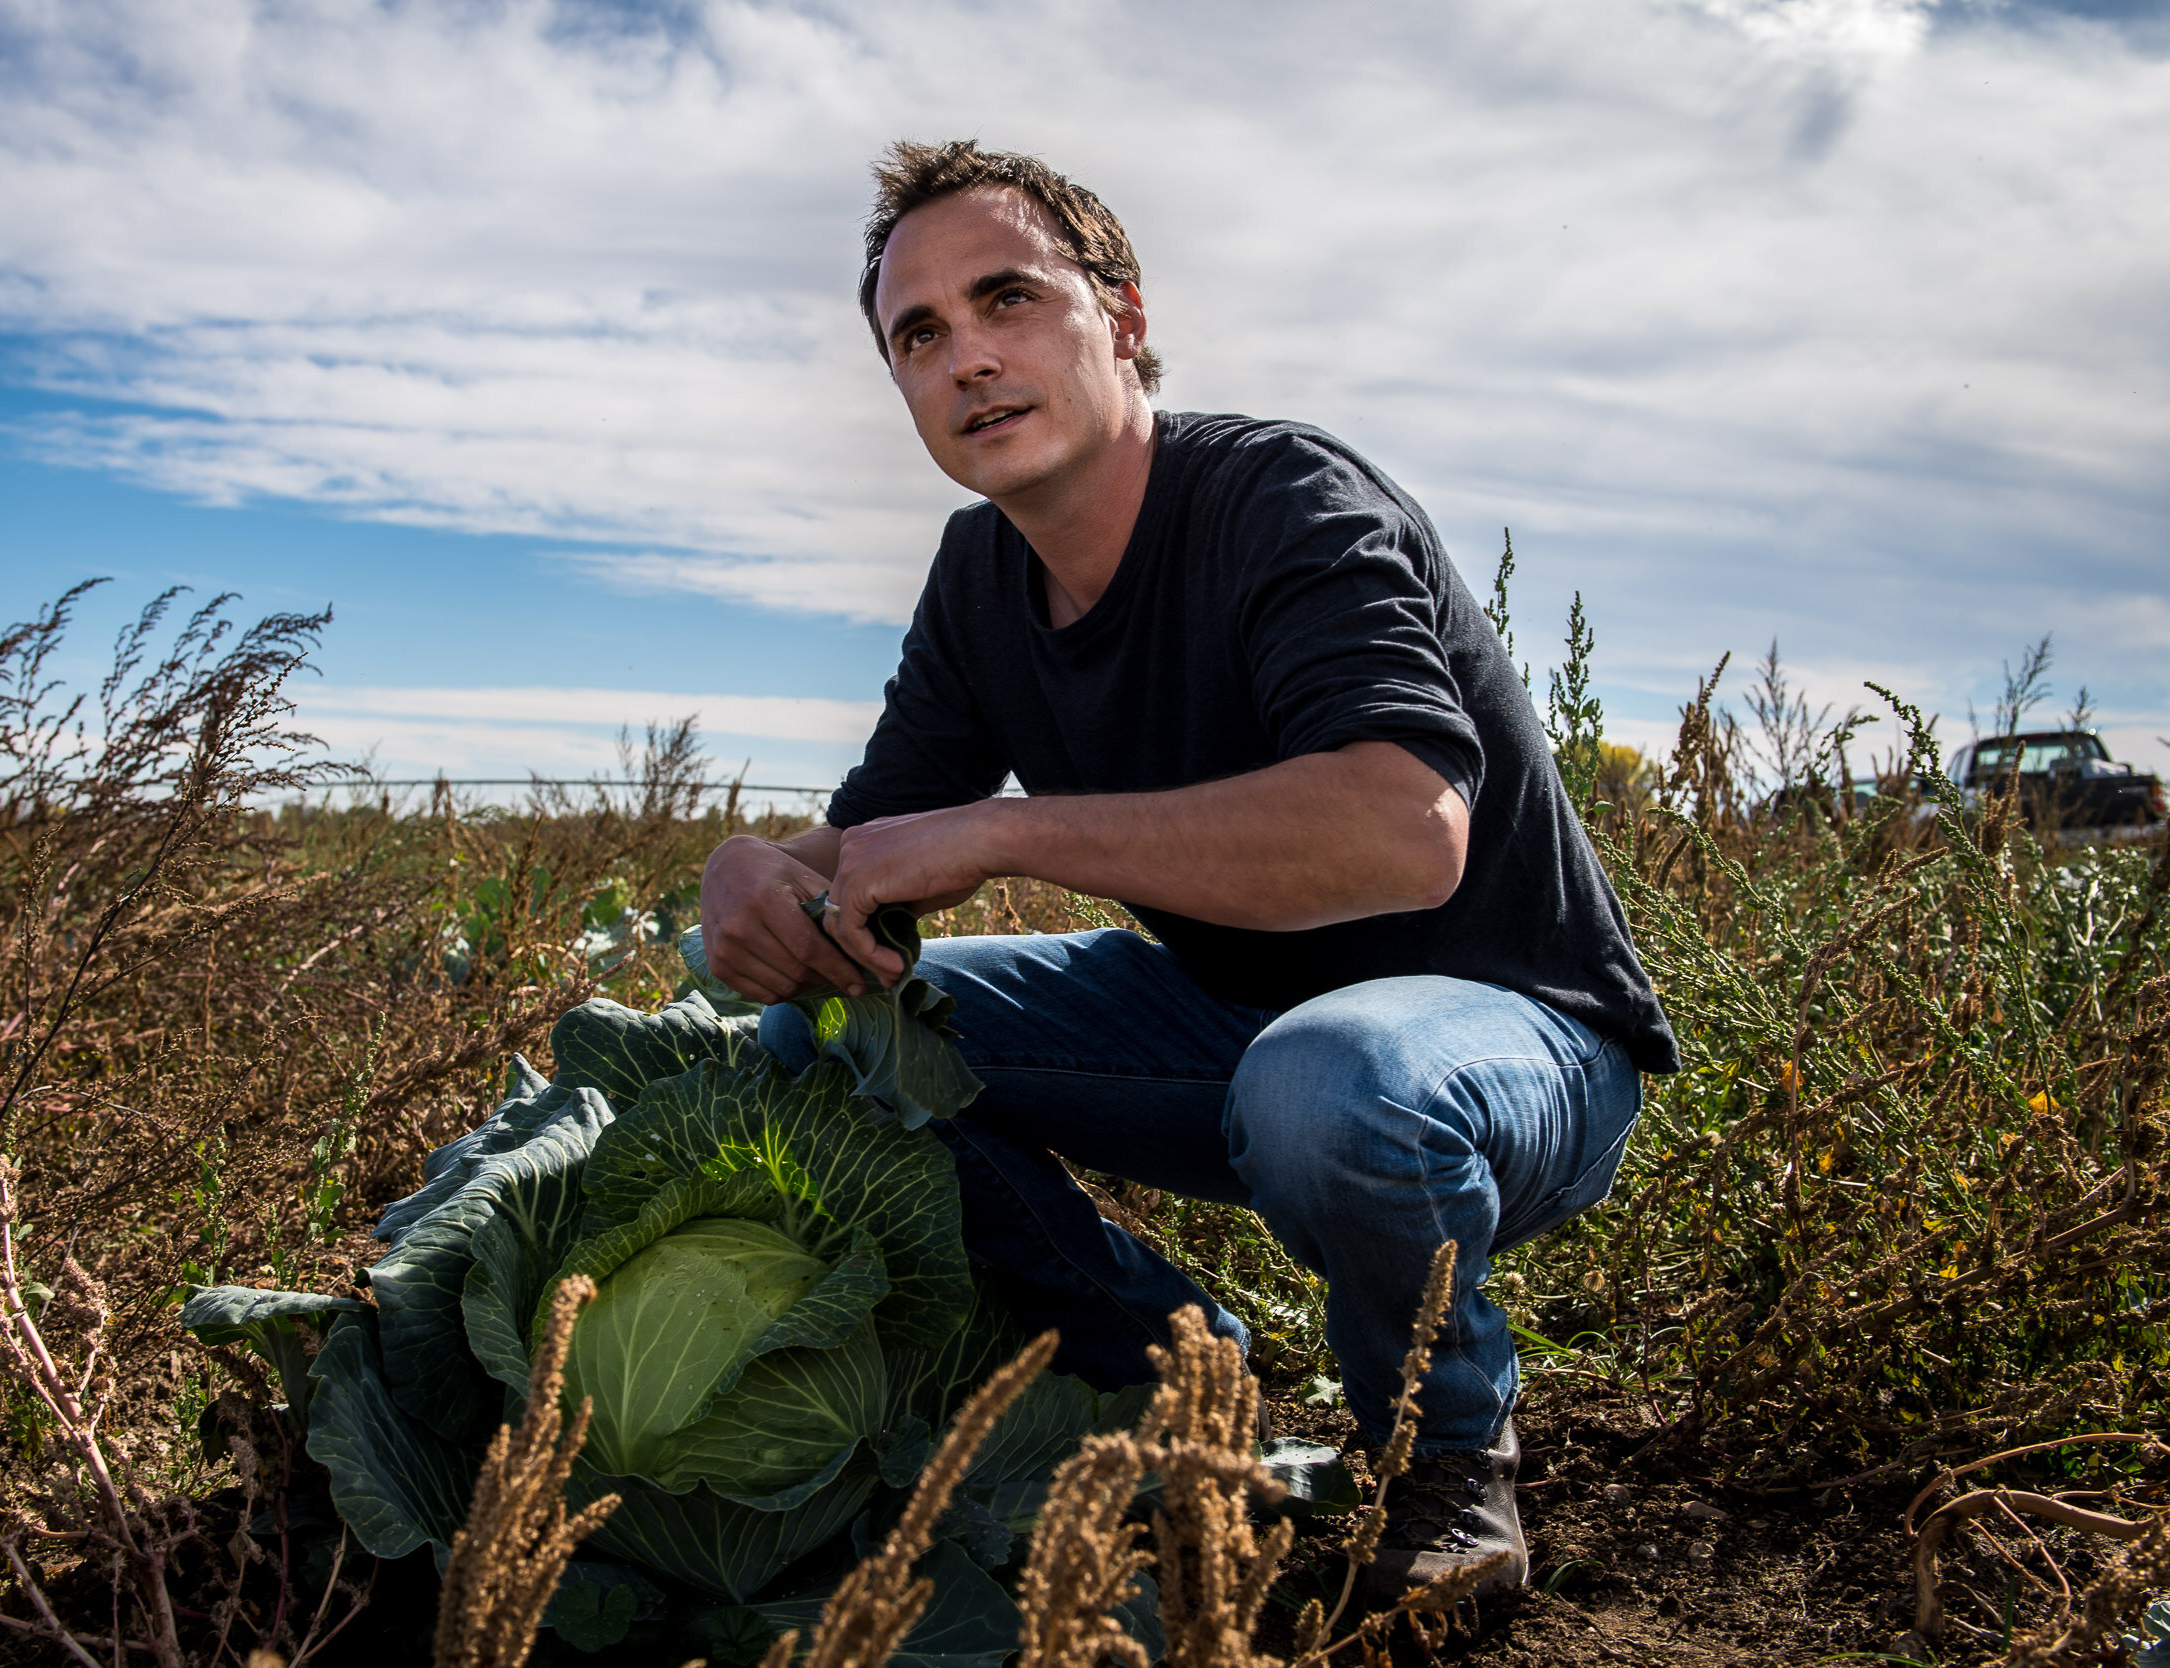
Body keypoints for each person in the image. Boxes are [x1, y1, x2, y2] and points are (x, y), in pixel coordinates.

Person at [696, 139, 1677, 1598]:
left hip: (1506, 1037)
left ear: (1126, 320)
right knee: (825, 1030)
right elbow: (879, 845)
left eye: (1007, 299)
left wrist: (1015, 830)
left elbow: (1403, 833)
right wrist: (758, 872)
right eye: (921, 334)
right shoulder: (981, 577)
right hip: (1222, 1024)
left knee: (1335, 1080)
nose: (967, 357)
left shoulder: (1281, 501)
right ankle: (1185, 1379)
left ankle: (1445, 1463)